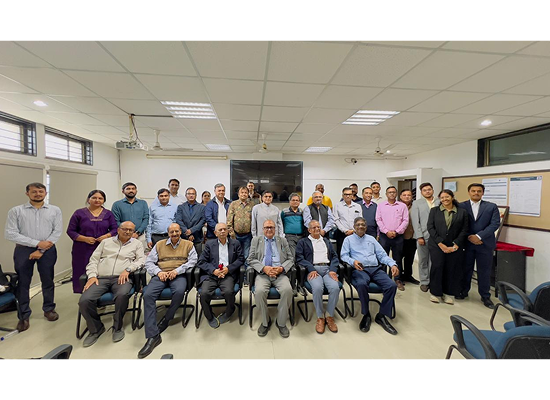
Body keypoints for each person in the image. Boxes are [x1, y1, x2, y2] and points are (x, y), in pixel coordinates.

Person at [4, 182, 63, 333]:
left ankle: (49, 309)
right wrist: (36, 244)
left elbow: (57, 232)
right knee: (23, 283)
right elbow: (10, 233)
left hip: (48, 250)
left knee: (48, 280)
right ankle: (23, 316)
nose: (38, 194)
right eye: (34, 191)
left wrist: (41, 249)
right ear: (27, 193)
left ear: (45, 193)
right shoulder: (16, 211)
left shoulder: (54, 210)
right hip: (23, 250)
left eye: (41, 191)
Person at [78, 221, 145, 347]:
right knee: (84, 300)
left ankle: (117, 327)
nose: (128, 232)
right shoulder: (106, 242)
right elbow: (93, 260)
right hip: (101, 278)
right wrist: (92, 276)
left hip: (122, 277)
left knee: (122, 295)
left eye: (131, 230)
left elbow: (141, 260)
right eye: (125, 229)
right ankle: (96, 329)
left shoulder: (137, 244)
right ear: (118, 230)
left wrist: (128, 269)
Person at [138, 223, 197, 359]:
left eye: (177, 231)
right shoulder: (159, 244)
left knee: (179, 292)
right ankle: (153, 336)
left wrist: (177, 271)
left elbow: (193, 261)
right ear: (168, 233)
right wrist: (159, 272)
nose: (174, 234)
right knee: (148, 295)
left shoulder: (188, 244)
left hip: (178, 275)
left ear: (180, 232)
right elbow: (149, 262)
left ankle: (167, 318)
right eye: (172, 232)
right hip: (161, 275)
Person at [341, 217, 399, 335]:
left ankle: (381, 315)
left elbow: (382, 255)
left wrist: (393, 264)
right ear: (354, 227)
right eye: (358, 225)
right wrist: (353, 262)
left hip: (375, 269)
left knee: (391, 285)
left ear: (366, 227)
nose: (360, 226)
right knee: (362, 284)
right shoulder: (348, 240)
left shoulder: (371, 239)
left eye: (363, 224)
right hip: (360, 269)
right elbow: (344, 256)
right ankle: (366, 314)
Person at [248, 219, 294, 338]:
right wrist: (264, 268)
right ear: (263, 229)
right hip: (263, 274)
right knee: (259, 291)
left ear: (275, 229)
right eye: (267, 227)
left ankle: (281, 322)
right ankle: (265, 321)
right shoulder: (256, 240)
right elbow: (250, 259)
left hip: (280, 274)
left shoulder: (282, 240)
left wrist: (281, 268)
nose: (269, 229)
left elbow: (290, 259)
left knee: (288, 290)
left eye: (271, 227)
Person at [458, 183, 501, 309]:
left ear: (483, 193)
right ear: (469, 192)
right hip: (467, 243)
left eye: (479, 191)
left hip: (485, 244)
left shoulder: (491, 207)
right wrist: (470, 237)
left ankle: (485, 296)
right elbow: (458, 224)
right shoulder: (461, 206)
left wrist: (479, 236)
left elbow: (495, 224)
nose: (476, 193)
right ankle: (463, 291)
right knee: (466, 269)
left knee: (484, 271)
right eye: (473, 191)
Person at [66, 190, 118, 294]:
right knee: (81, 270)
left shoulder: (108, 214)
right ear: (88, 199)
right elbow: (71, 231)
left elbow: (115, 229)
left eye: (100, 198)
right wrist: (85, 239)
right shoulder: (79, 213)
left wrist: (106, 236)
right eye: (94, 198)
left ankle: (100, 293)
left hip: (103, 247)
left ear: (104, 201)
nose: (97, 200)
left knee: (102, 269)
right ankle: (83, 294)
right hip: (82, 248)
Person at [295, 220, 340, 334]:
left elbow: (334, 257)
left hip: (327, 269)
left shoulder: (326, 241)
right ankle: (320, 317)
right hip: (313, 270)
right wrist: (310, 268)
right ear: (309, 230)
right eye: (314, 227)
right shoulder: (303, 242)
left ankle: (329, 316)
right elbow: (299, 258)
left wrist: (333, 270)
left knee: (335, 287)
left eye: (318, 227)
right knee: (318, 288)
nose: (317, 229)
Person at [197, 223, 244, 328]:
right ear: (215, 233)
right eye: (220, 230)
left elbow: (241, 259)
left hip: (228, 274)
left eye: (224, 229)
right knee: (204, 293)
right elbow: (201, 261)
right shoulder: (209, 244)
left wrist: (229, 269)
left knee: (229, 292)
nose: (223, 231)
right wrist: (213, 270)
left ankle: (229, 311)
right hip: (212, 275)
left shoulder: (235, 243)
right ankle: (209, 316)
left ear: (228, 231)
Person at [427, 190, 469, 305]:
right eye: (442, 197)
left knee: (451, 268)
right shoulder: (434, 211)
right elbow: (430, 227)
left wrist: (456, 244)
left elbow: (464, 229)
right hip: (436, 244)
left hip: (453, 245)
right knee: (437, 266)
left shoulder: (462, 212)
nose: (445, 199)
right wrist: (440, 243)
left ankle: (448, 293)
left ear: (452, 197)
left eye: (447, 197)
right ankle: (435, 292)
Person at [376, 186, 409, 291]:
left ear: (396, 194)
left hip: (398, 236)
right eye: (389, 192)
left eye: (394, 192)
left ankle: (397, 279)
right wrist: (386, 231)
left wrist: (396, 231)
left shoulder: (402, 206)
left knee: (397, 258)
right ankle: (383, 279)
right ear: (386, 194)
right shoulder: (381, 205)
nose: (392, 194)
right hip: (384, 236)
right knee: (382, 258)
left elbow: (405, 220)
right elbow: (378, 219)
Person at [410, 183, 440, 292]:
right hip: (423, 235)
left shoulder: (439, 201)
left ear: (433, 190)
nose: (427, 191)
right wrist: (419, 236)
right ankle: (424, 281)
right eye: (425, 190)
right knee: (423, 259)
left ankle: (433, 281)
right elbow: (415, 221)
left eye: (429, 189)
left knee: (434, 260)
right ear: (421, 192)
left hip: (437, 236)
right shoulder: (417, 203)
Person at [111, 182, 149, 250]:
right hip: (123, 236)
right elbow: (116, 220)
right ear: (123, 191)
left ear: (136, 191)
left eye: (133, 189)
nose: (131, 190)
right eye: (128, 189)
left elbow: (146, 219)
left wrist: (138, 232)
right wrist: (126, 232)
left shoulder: (143, 203)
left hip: (140, 236)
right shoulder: (117, 204)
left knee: (140, 254)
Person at [176, 187, 206, 255]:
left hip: (197, 237)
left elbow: (202, 221)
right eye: (189, 194)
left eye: (193, 194)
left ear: (196, 195)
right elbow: (178, 220)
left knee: (198, 258)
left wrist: (191, 231)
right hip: (184, 237)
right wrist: (187, 232)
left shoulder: (202, 207)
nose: (191, 195)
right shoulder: (181, 207)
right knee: (184, 257)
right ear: (186, 195)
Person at [333, 187, 363, 258]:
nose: (348, 196)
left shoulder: (357, 206)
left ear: (352, 195)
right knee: (342, 253)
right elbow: (336, 220)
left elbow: (360, 220)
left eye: (349, 194)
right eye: (346, 194)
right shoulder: (337, 206)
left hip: (355, 234)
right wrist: (345, 230)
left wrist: (353, 230)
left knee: (355, 253)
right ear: (342, 195)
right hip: (342, 234)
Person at [399, 189, 420, 285]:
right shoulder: (397, 206)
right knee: (398, 258)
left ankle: (408, 275)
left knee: (410, 258)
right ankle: (399, 276)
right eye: (404, 195)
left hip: (412, 237)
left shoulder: (415, 207)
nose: (407, 197)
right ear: (400, 196)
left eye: (409, 195)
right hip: (400, 237)